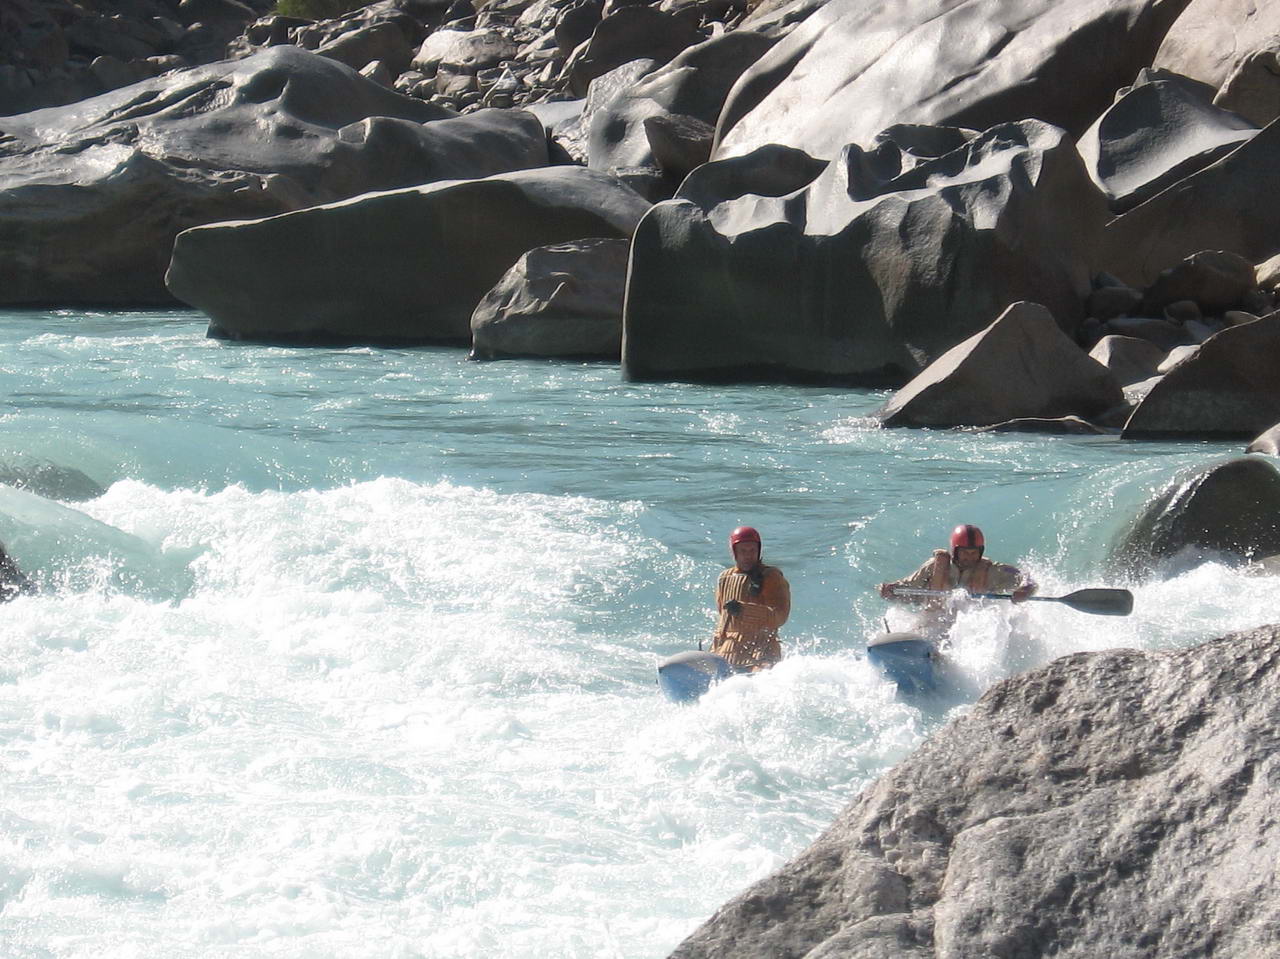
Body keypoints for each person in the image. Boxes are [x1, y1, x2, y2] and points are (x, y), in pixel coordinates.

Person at [878, 524, 1036, 618]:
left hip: (971, 630)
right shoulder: (934, 566)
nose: (970, 557)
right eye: (965, 552)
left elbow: (1025, 577)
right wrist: (891, 591)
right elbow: (910, 589)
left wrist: (1026, 589)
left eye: (974, 553)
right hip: (934, 624)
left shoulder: (992, 570)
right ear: (955, 551)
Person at [710, 526, 791, 671]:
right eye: (743, 551)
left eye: (752, 550)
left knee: (760, 673)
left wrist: (744, 610)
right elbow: (723, 617)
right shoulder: (724, 578)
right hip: (728, 648)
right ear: (734, 552)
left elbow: (780, 617)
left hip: (762, 649)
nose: (748, 556)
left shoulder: (771, 577)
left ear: (758, 551)